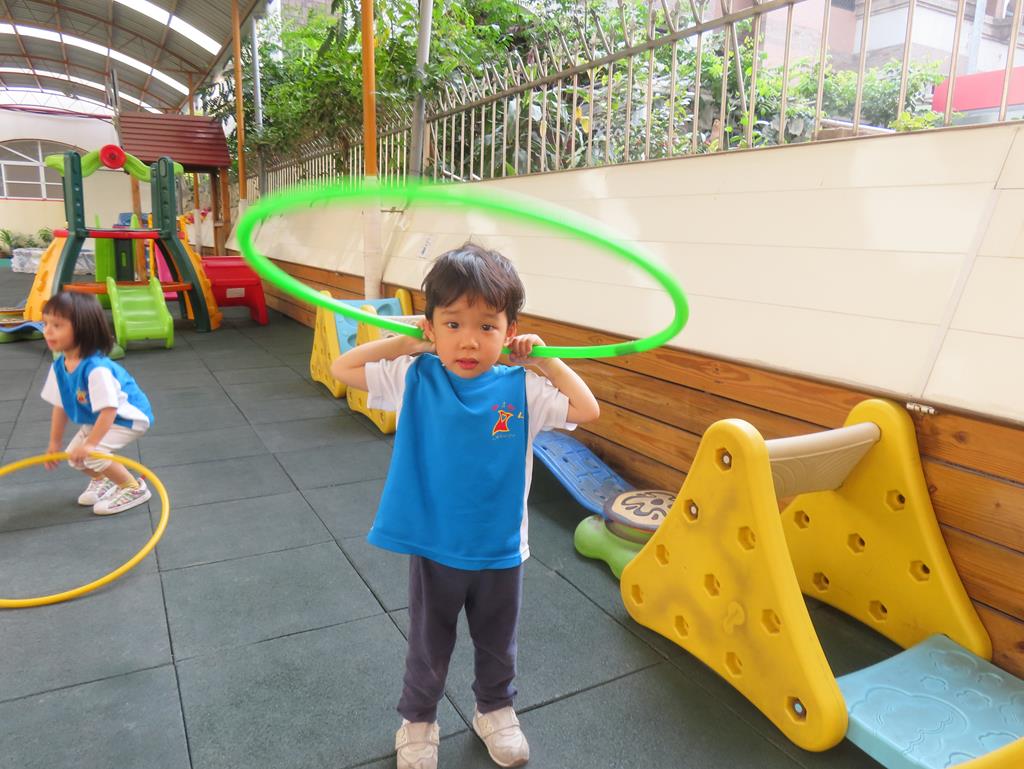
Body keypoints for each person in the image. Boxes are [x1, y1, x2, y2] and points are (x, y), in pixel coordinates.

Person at [332, 243, 600, 769]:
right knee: (429, 643)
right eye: (452, 324)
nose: (469, 340)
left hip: (501, 547)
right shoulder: (415, 377)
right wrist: (405, 341)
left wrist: (545, 360)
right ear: (431, 327)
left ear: (510, 331)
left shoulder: (522, 387)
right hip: (435, 547)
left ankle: (495, 710)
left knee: (498, 642)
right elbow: (344, 367)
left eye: (487, 326)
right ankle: (418, 720)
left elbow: (586, 409)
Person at [40, 292, 154, 515]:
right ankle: (105, 479)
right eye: (45, 324)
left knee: (92, 454)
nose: (48, 331)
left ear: (83, 329)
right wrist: (54, 443)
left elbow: (110, 410)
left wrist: (91, 444)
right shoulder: (59, 366)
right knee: (74, 456)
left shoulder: (96, 369)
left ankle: (133, 488)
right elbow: (60, 405)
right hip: (99, 418)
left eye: (57, 325)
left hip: (127, 418)